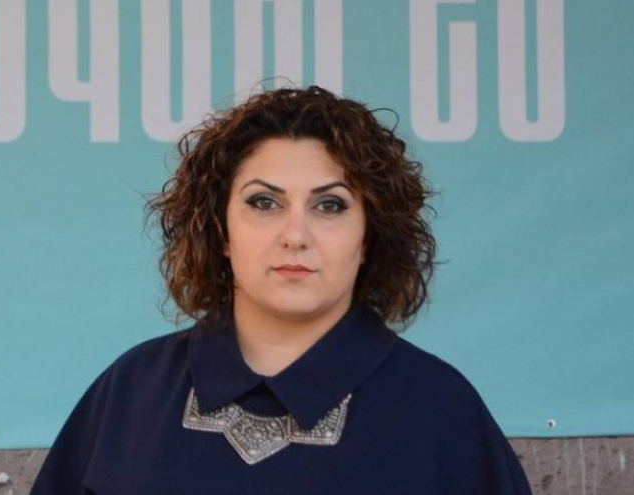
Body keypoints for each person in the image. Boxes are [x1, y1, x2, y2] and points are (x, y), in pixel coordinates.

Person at [29, 85, 534, 494]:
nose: (295, 235)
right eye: (264, 203)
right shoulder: (134, 390)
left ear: (368, 237)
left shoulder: (439, 408)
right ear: (221, 232)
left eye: (330, 205)